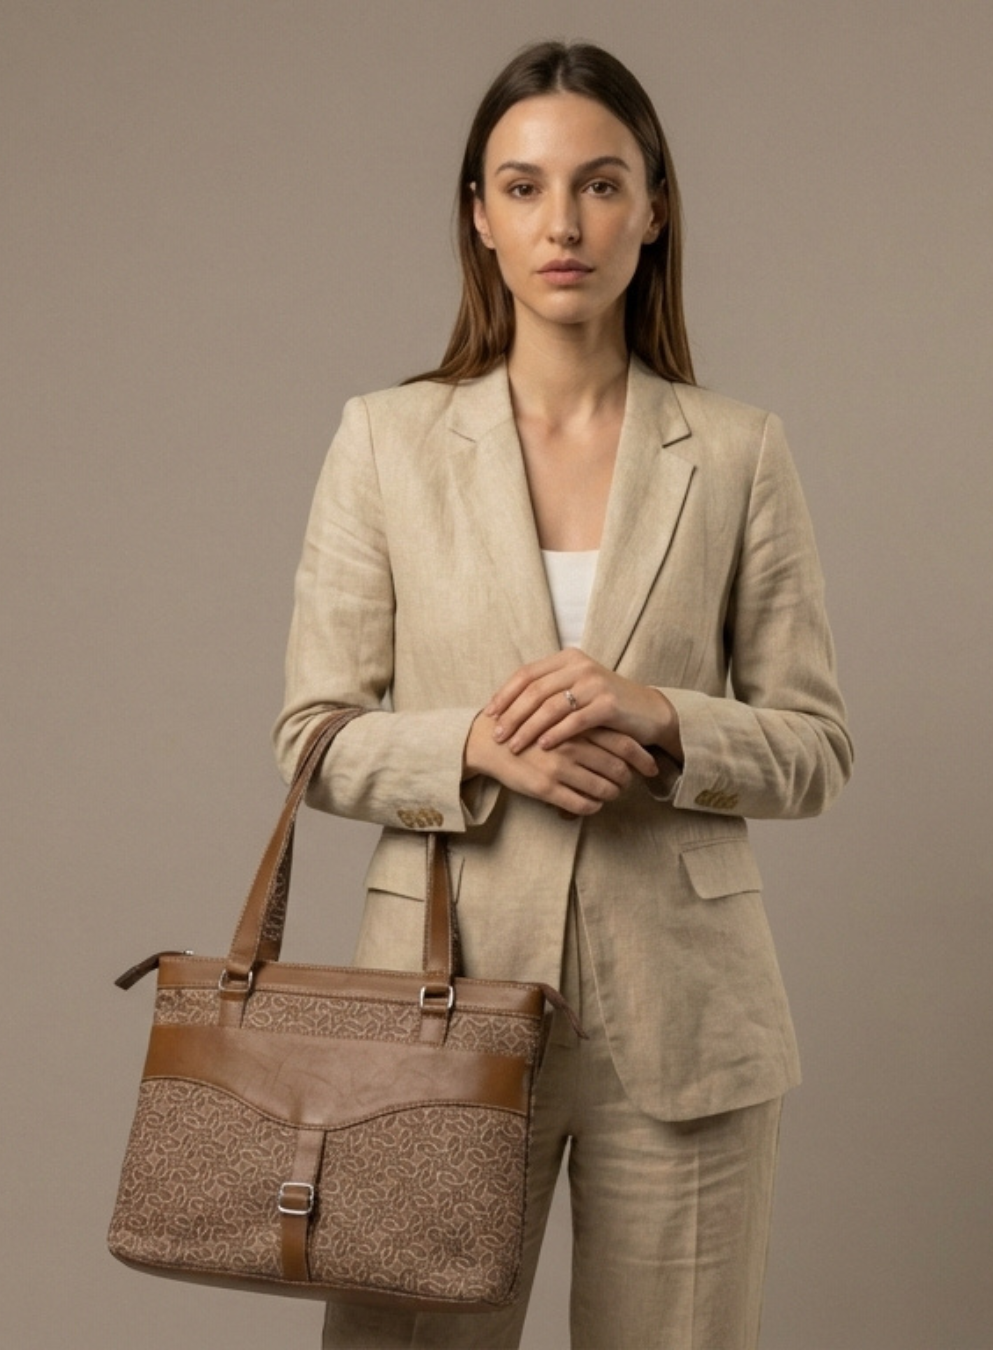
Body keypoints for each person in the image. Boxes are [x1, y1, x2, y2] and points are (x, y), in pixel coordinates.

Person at [274, 39, 852, 1350]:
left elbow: (817, 746)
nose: (564, 223)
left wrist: (661, 715)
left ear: (652, 209)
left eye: (600, 185)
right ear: (478, 216)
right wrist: (476, 746)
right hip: (442, 998)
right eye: (524, 187)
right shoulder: (386, 439)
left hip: (689, 1020)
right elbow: (312, 735)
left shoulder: (743, 452)